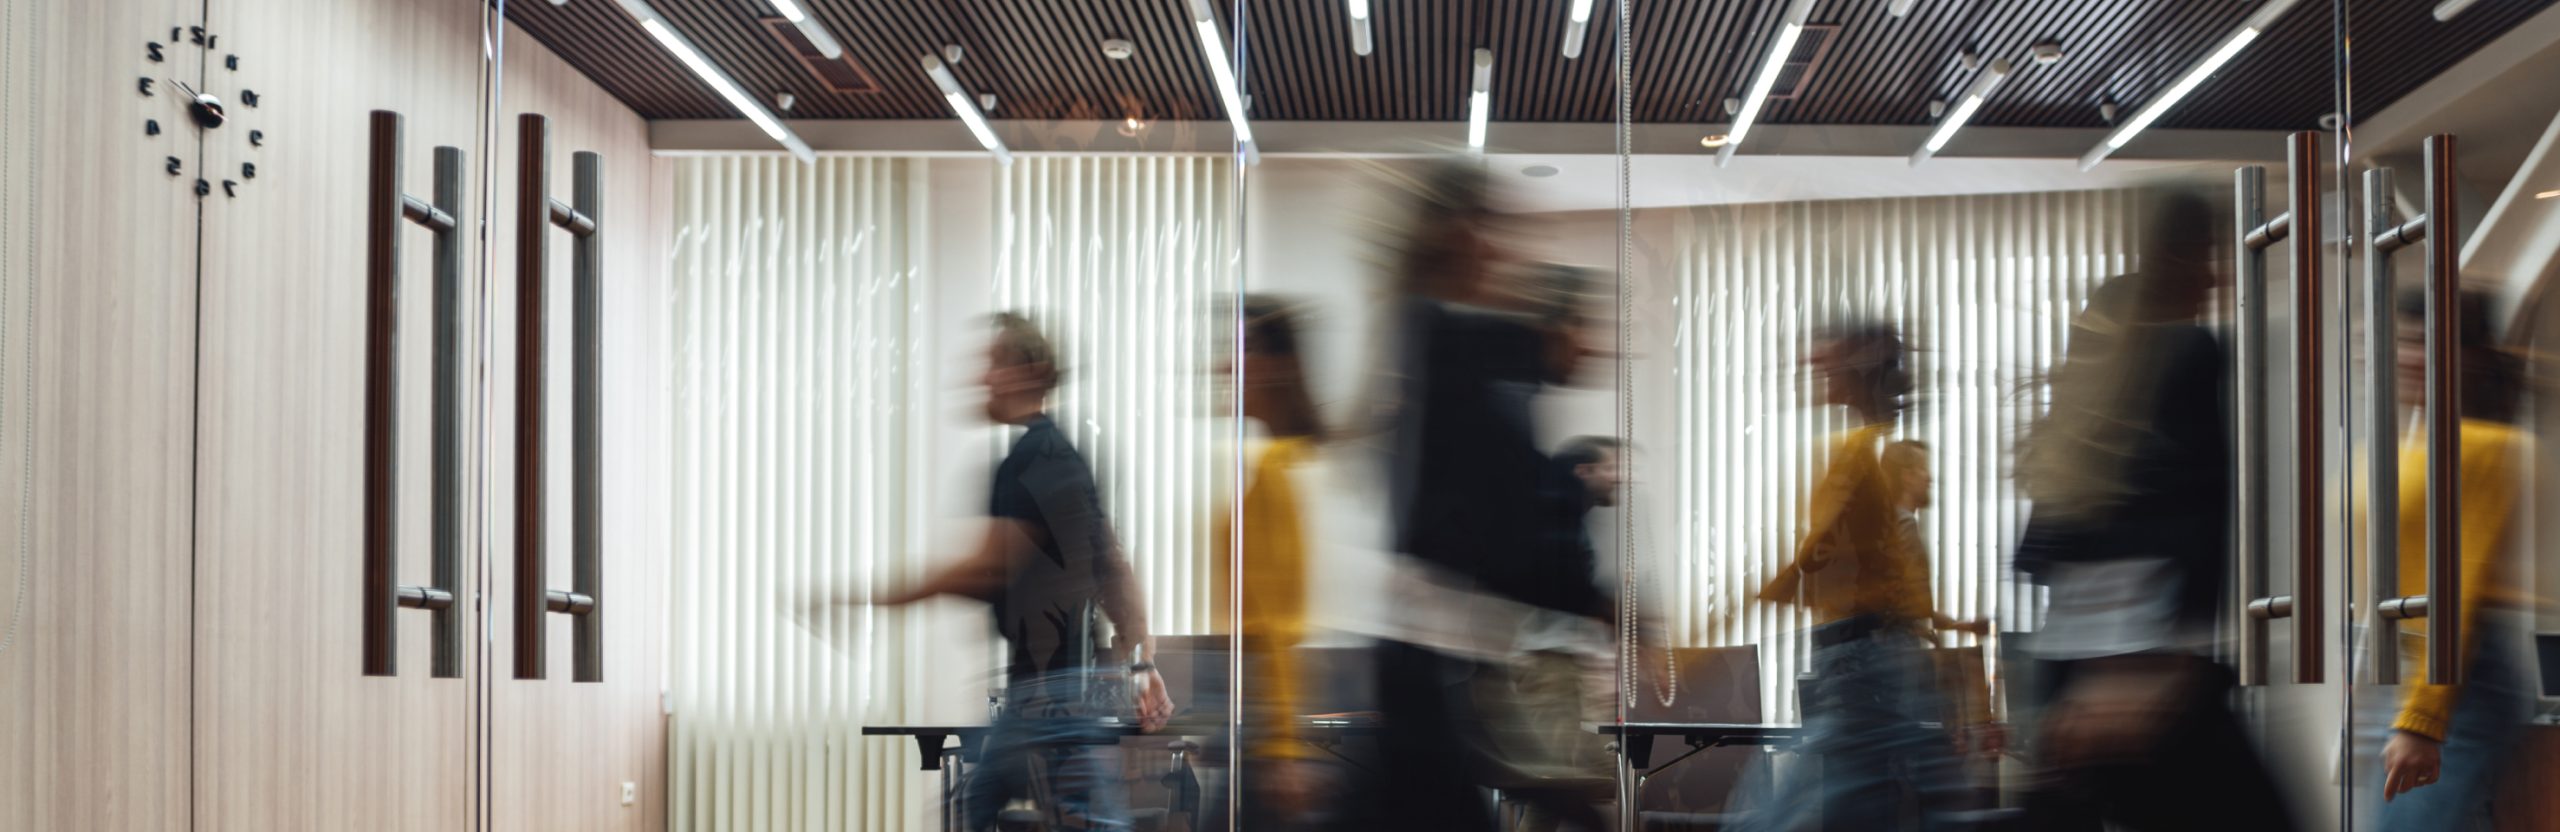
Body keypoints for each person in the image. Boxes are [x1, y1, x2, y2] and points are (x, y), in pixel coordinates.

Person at [2012, 191, 2294, 832]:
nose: (2217, 274)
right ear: (2183, 253)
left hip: (2068, 668)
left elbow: (2047, 541)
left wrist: (2086, 673)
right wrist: (2144, 665)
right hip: (2144, 671)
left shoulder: (2092, 384)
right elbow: (2188, 516)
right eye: (2210, 254)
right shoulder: (2190, 352)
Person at [858, 312, 1175, 831]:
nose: (982, 377)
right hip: (1050, 688)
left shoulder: (1033, 461)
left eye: (994, 363)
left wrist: (877, 598)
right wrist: (1140, 663)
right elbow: (1112, 566)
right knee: (973, 806)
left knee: (1070, 817)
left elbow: (987, 569)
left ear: (1030, 370)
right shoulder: (1061, 456)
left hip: (1052, 694)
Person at [1747, 321, 1978, 832]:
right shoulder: (1858, 451)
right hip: (1865, 649)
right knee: (1875, 784)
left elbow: (1834, 552)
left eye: (1829, 360)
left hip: (1866, 646)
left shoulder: (1860, 451)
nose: (1815, 366)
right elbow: (1831, 553)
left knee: (1865, 788)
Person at [2357, 286, 2532, 830]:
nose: (2407, 357)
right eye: (2400, 342)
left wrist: (2423, 720)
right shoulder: (2419, 444)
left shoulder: (2479, 445)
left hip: (2459, 676)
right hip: (2420, 669)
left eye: (2423, 343)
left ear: (2465, 358)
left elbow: (2455, 586)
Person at [1206, 295, 1328, 828]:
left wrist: (1283, 748)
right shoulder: (1287, 464)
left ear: (1281, 367)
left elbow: (1282, 621)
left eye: (1243, 350)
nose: (1226, 366)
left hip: (1270, 729)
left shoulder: (1280, 470)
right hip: (1259, 720)